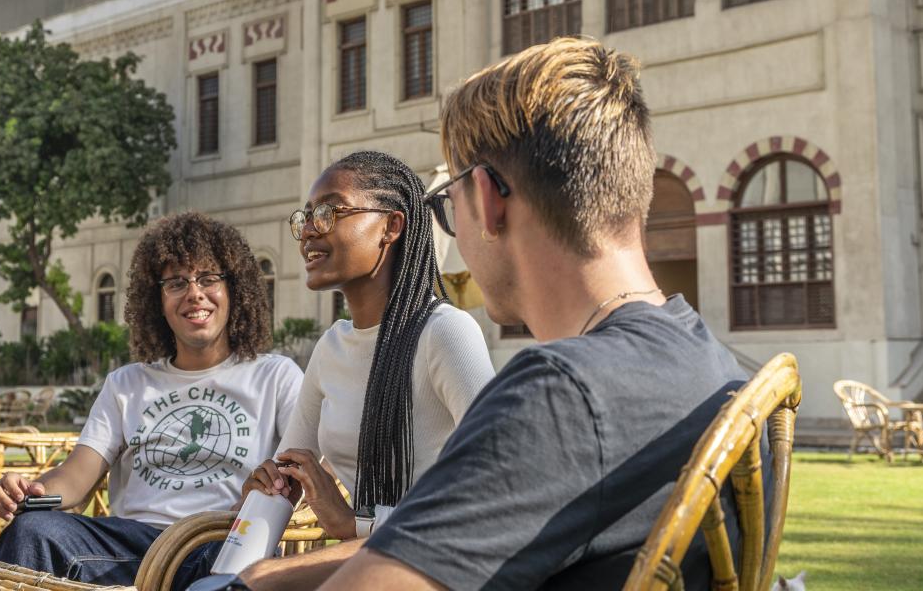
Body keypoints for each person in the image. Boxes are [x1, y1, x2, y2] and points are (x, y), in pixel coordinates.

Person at [222, 37, 750, 591]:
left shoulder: (561, 396)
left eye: (448, 204)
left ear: (487, 199)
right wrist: (263, 574)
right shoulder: (715, 366)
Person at [0, 212, 303, 587]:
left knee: (235, 564)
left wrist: (255, 504)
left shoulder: (275, 376)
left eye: (208, 278)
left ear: (235, 289)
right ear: (157, 300)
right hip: (131, 547)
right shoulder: (127, 384)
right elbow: (76, 478)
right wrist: (27, 492)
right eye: (176, 282)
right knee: (30, 531)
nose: (194, 293)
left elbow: (305, 473)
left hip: (221, 540)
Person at [241, 151, 495, 539]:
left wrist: (352, 524)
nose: (309, 230)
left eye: (329, 213)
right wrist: (263, 490)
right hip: (365, 560)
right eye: (305, 217)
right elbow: (286, 475)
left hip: (436, 564)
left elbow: (497, 489)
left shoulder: (445, 333)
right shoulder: (332, 347)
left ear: (391, 226)